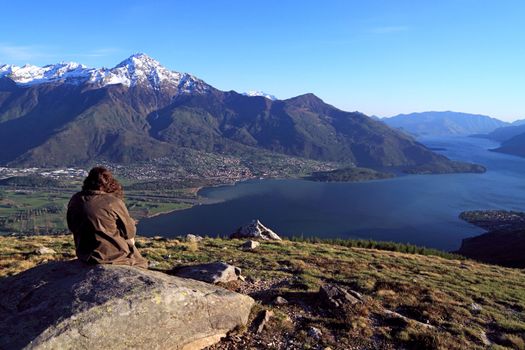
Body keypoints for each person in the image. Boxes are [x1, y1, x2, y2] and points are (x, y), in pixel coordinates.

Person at [67, 166, 148, 268]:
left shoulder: (75, 199)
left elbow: (71, 226)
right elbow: (129, 232)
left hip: (84, 255)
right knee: (140, 262)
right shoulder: (113, 202)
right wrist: (130, 222)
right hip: (114, 257)